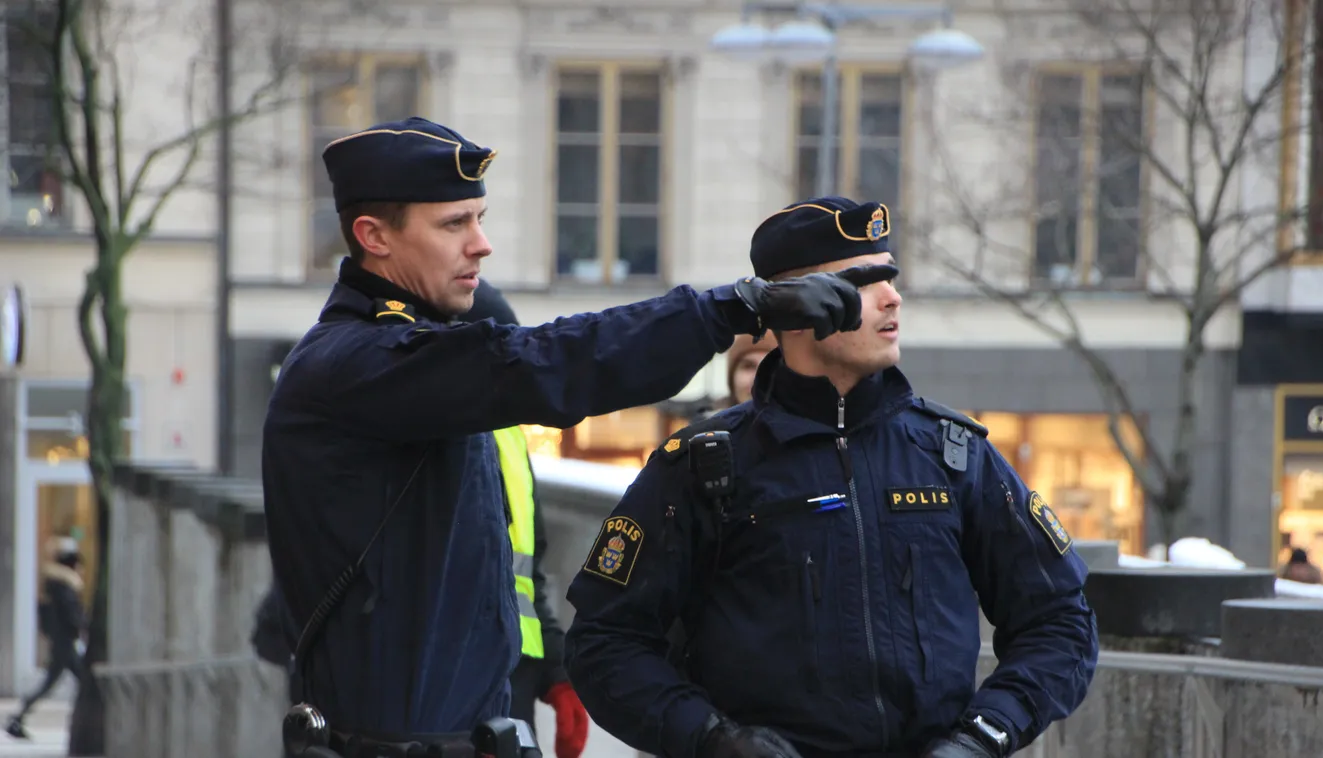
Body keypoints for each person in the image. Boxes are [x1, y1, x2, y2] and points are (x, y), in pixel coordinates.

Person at [263, 117, 897, 755]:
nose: (481, 245)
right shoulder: (357, 362)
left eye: (479, 219)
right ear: (373, 236)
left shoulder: (412, 353)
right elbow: (551, 363)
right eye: (454, 224)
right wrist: (729, 309)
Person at [563, 196, 1099, 758]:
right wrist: (712, 739)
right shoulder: (702, 464)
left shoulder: (951, 453)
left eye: (890, 278)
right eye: (862, 283)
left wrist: (985, 735)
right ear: (797, 308)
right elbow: (604, 642)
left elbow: (1061, 621)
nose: (892, 298)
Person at [459, 279, 588, 758]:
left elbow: (527, 578)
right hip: (455, 694)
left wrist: (556, 672)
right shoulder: (428, 439)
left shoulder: (511, 437)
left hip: (514, 683)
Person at [7, 537, 87, 740]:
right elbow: (72, 615)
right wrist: (82, 625)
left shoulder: (53, 585)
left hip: (61, 642)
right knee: (80, 681)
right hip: (64, 643)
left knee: (55, 682)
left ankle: (18, 717)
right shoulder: (63, 586)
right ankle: (17, 718)